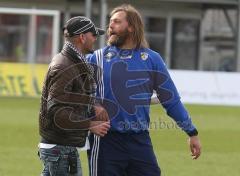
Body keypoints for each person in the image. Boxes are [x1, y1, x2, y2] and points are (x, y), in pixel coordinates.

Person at [87, 4, 201, 176]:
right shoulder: (96, 58)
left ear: (131, 27)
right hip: (105, 142)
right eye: (110, 22)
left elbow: (171, 100)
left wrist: (191, 132)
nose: (110, 26)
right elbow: (76, 96)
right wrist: (89, 120)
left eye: (117, 22)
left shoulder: (152, 59)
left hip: (139, 141)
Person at [38, 16, 110, 176]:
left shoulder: (70, 61)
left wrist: (92, 106)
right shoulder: (65, 65)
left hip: (59, 147)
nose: (95, 39)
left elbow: (69, 99)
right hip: (59, 148)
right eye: (93, 35)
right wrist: (90, 124)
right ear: (82, 37)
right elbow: (56, 111)